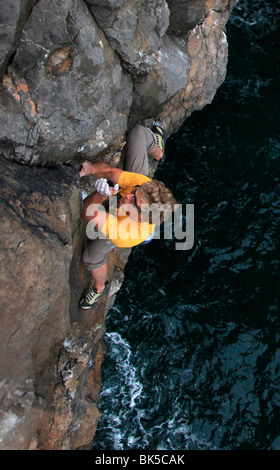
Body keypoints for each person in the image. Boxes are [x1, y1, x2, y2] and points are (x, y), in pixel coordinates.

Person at [78, 122, 177, 309]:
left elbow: (87, 212)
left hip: (126, 227)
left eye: (135, 203)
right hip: (133, 212)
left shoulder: (125, 233)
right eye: (135, 193)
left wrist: (101, 194)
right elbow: (108, 171)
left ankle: (99, 288)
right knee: (139, 132)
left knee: (90, 258)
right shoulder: (141, 185)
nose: (129, 196)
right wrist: (90, 168)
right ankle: (159, 152)